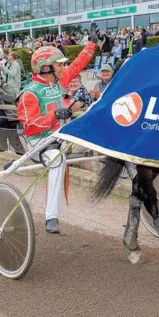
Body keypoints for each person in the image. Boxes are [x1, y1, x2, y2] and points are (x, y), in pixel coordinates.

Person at [17, 25, 98, 234]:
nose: (65, 67)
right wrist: (55, 115)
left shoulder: (59, 81)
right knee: (57, 159)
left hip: (60, 136)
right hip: (40, 143)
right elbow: (30, 127)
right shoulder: (29, 94)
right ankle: (51, 216)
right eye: (60, 65)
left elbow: (79, 63)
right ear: (46, 68)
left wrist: (92, 43)